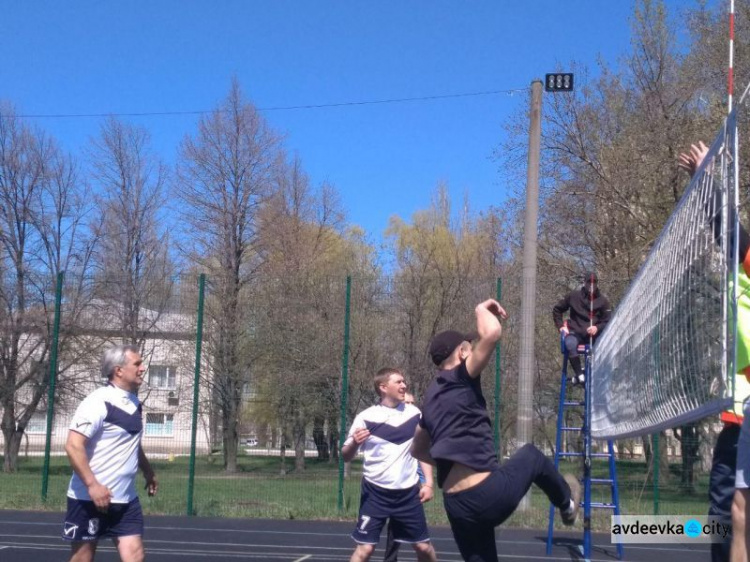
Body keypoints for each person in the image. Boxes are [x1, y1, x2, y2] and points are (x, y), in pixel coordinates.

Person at [412, 299, 581, 562]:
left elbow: (417, 449)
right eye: (468, 346)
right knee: (532, 456)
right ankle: (567, 504)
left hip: (456, 506)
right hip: (485, 496)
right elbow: (492, 332)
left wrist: (452, 456)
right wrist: (481, 309)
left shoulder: (430, 398)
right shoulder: (460, 376)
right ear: (462, 353)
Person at [679, 141, 750, 562]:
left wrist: (707, 180)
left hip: (741, 420)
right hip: (738, 415)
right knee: (729, 515)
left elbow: (731, 233)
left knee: (730, 513)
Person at [62, 345, 158, 562]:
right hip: (89, 499)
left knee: (135, 555)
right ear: (119, 370)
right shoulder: (97, 402)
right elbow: (73, 445)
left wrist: (148, 472)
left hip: (126, 499)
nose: (143, 368)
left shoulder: (134, 403)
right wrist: (93, 486)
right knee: (82, 558)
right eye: (137, 364)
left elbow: (132, 441)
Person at [342, 369, 437, 562]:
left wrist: (428, 483)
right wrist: (354, 443)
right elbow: (346, 456)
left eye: (404, 381)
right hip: (375, 494)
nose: (404, 386)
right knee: (365, 550)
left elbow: (422, 452)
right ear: (383, 387)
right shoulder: (366, 417)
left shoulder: (414, 414)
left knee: (424, 547)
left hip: (408, 494)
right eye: (399, 382)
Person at [382, 392, 425, 562]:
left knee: (415, 535)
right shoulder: (389, 429)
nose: (410, 406)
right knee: (367, 541)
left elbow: (421, 458)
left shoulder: (418, 428)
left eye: (413, 403)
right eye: (407, 402)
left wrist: (425, 483)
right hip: (384, 486)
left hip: (408, 487)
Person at [552, 273, 612, 385]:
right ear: (585, 283)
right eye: (589, 282)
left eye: (594, 282)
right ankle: (580, 375)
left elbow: (607, 321)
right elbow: (557, 309)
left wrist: (597, 327)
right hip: (576, 333)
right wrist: (560, 326)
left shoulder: (603, 301)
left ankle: (587, 376)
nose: (592, 285)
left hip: (595, 337)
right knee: (569, 343)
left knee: (607, 348)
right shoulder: (573, 296)